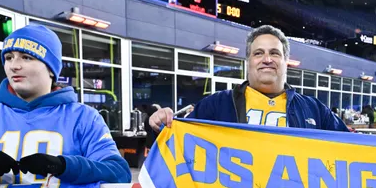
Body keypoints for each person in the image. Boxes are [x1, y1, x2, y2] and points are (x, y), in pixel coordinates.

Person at [0, 24, 130, 185]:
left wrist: (65, 166)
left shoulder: (84, 117)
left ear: (51, 68)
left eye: (27, 57)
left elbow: (118, 173)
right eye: (9, 57)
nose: (14, 66)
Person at [148, 25, 348, 132]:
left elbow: (353, 149)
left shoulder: (314, 109)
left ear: (286, 61)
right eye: (258, 53)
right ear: (248, 61)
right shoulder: (216, 105)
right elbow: (178, 142)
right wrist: (160, 125)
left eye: (275, 53)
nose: (267, 59)